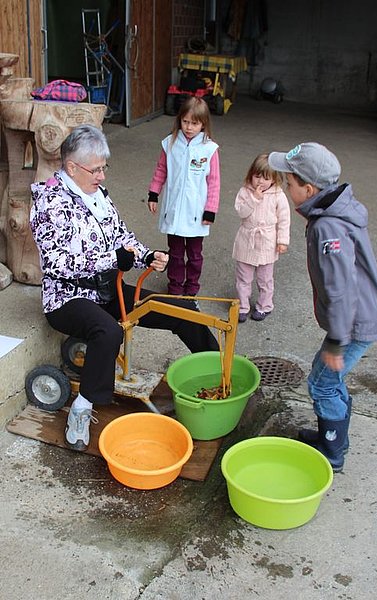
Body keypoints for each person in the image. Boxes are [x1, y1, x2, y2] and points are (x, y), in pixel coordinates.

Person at [30, 124, 219, 452]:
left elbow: (122, 236)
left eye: (104, 167)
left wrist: (146, 255)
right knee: (108, 332)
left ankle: (218, 374)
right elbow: (57, 264)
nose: (102, 176)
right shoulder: (49, 203)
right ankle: (81, 408)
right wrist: (112, 259)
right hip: (67, 297)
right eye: (96, 169)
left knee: (182, 309)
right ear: (72, 167)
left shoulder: (97, 195)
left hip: (107, 288)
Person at [268, 142, 377, 472]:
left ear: (308, 189)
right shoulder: (334, 210)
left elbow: (340, 290)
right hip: (356, 317)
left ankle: (332, 449)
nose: (286, 188)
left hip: (353, 322)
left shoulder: (328, 227)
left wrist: (336, 340)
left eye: (289, 183)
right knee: (327, 378)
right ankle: (333, 438)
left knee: (321, 384)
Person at [148, 96, 220, 297]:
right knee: (176, 252)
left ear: (203, 124)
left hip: (197, 213)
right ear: (179, 120)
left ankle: (192, 285)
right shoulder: (170, 143)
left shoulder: (209, 149)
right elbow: (161, 170)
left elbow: (214, 182)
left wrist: (210, 210)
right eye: (185, 121)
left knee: (195, 254)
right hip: (173, 210)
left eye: (194, 123)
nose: (189, 127)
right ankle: (175, 285)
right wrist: (153, 193)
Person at [232, 153, 290, 323]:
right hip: (247, 239)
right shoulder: (244, 192)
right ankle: (242, 306)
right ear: (251, 174)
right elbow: (241, 212)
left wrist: (282, 241)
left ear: (273, 179)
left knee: (265, 278)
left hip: (267, 241)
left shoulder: (278, 195)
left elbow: (284, 219)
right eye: (257, 176)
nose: (260, 182)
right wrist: (254, 199)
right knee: (243, 277)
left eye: (266, 178)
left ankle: (264, 306)